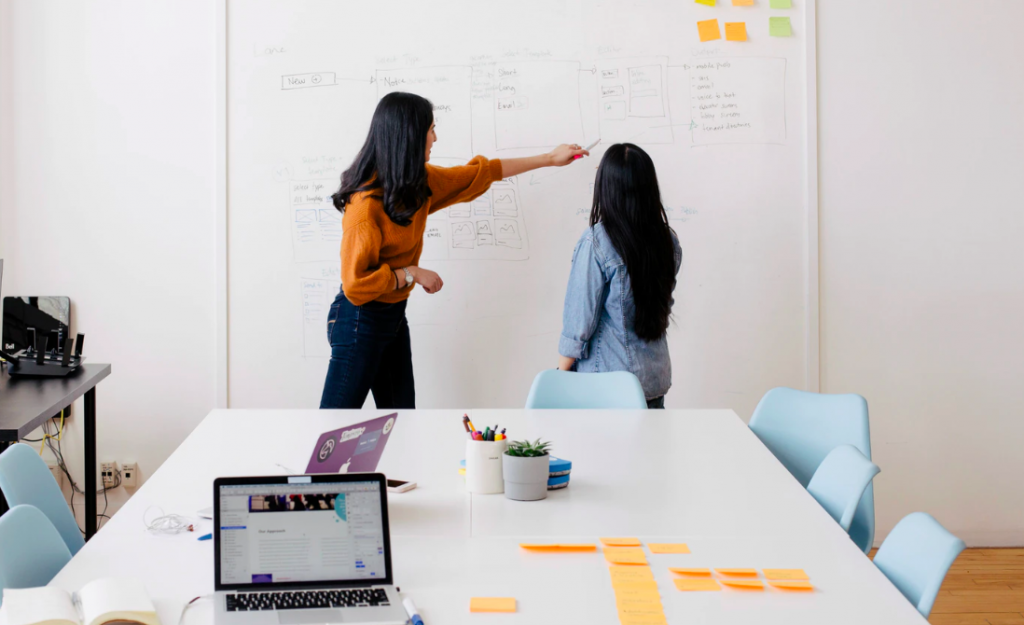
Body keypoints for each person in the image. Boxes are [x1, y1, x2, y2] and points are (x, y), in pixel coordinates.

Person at [321, 92, 589, 409]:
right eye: (430, 129)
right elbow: (355, 286)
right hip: (357, 320)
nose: (435, 137)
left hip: (392, 317)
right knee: (336, 426)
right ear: (409, 136)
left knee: (401, 421)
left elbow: (481, 172)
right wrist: (411, 273)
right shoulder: (365, 208)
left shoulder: (416, 184)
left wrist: (549, 158)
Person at [556, 143, 682, 409]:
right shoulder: (667, 240)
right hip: (653, 381)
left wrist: (560, 374)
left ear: (607, 187)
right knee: (647, 451)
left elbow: (579, 322)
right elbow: (662, 306)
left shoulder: (597, 242)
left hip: (606, 385)